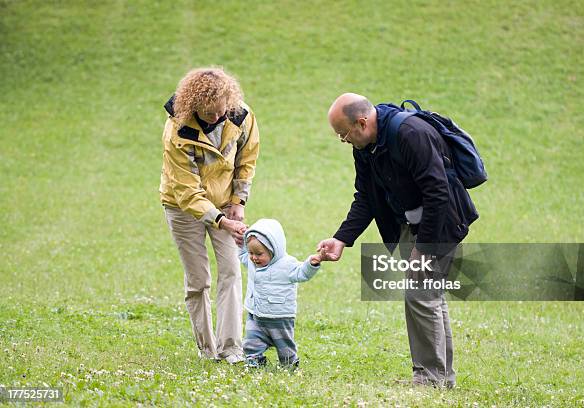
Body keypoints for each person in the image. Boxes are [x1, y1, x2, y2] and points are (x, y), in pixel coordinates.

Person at [317, 93, 471, 388]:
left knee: (420, 294)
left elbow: (438, 193)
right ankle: (443, 379)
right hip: (407, 223)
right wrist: (341, 239)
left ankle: (429, 379)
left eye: (343, 134)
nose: (343, 140)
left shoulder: (411, 134)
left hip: (440, 223)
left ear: (362, 122)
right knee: (428, 298)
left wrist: (424, 249)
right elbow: (366, 197)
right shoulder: (365, 146)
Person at [160, 67, 260, 364]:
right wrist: (221, 220)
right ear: (194, 108)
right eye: (209, 115)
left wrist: (238, 202)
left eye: (220, 112)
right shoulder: (178, 129)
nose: (216, 118)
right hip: (182, 208)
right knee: (198, 280)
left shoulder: (240, 115)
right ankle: (208, 349)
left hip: (226, 205)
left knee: (231, 271)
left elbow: (247, 159)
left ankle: (231, 348)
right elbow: (186, 190)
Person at [239, 218, 323, 368]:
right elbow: (243, 255)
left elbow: (301, 273)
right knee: (250, 343)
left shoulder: (287, 264)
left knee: (284, 346)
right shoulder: (252, 262)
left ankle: (289, 364)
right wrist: (240, 241)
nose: (254, 257)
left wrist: (311, 264)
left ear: (274, 249)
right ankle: (254, 361)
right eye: (251, 252)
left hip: (280, 317)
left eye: (259, 254)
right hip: (256, 314)